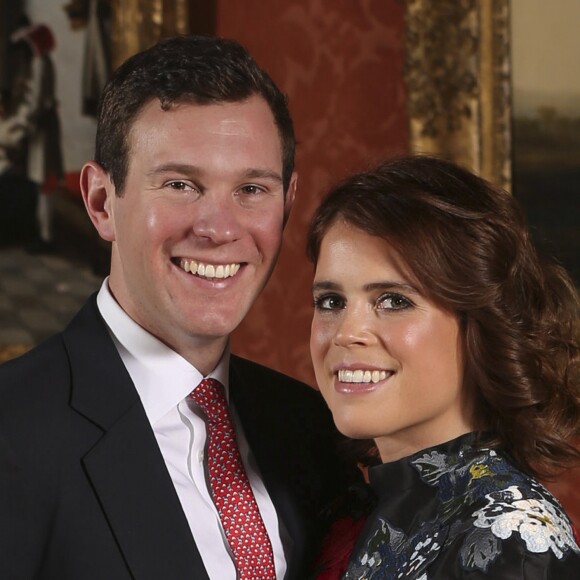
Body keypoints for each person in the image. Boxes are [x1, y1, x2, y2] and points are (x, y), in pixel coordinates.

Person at [0, 35, 352, 579]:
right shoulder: (12, 430)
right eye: (181, 184)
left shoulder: (310, 426)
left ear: (287, 202)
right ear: (101, 203)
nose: (218, 228)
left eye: (251, 190)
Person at [307, 155, 580, 578]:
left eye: (394, 300)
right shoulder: (349, 511)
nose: (346, 332)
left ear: (480, 324)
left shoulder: (512, 543)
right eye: (331, 301)